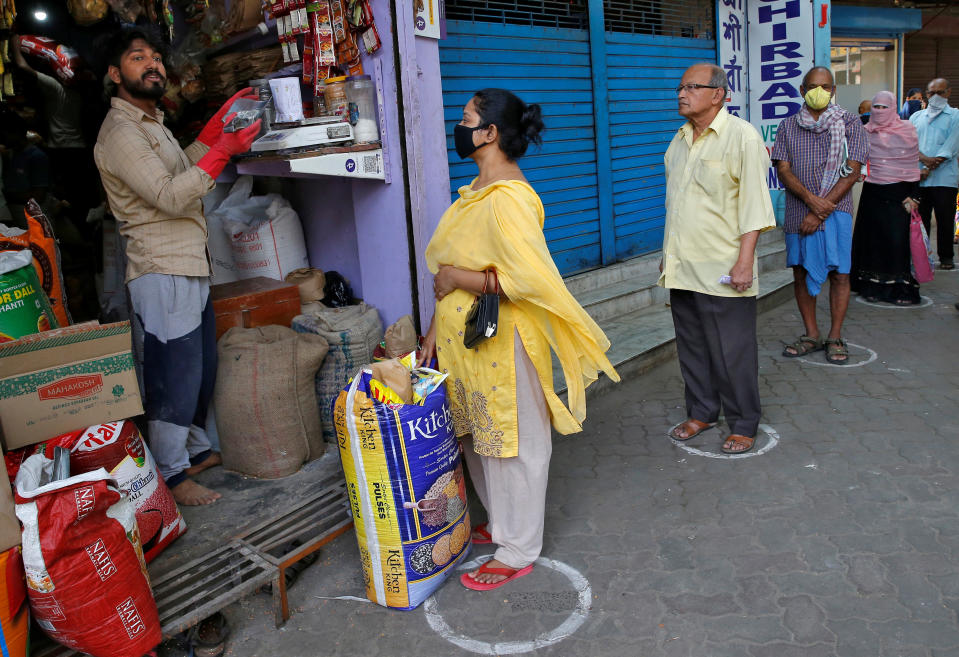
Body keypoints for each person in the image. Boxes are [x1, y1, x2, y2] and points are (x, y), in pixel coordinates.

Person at [422, 88, 618, 590]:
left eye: (466, 119)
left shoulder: (510, 199)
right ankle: (503, 524)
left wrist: (457, 279)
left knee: (517, 443)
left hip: (504, 341)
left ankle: (519, 547)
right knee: (480, 437)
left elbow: (531, 281)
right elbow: (451, 275)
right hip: (466, 341)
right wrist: (432, 333)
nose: (458, 127)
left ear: (489, 133)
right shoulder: (476, 192)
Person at [93, 27, 260, 505]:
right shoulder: (121, 132)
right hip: (160, 268)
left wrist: (210, 137)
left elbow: (178, 170)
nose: (152, 64)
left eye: (156, 57)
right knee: (173, 373)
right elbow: (168, 195)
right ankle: (169, 476)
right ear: (114, 73)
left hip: (187, 262)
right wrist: (223, 150)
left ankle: (193, 453)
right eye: (137, 57)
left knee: (200, 368)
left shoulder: (152, 122)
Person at [659, 63, 775, 455]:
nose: (681, 93)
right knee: (692, 347)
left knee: (732, 352)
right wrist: (667, 256)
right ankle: (703, 411)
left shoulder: (741, 137)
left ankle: (743, 422)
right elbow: (675, 206)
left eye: (692, 86)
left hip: (724, 269)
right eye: (680, 86)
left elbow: (755, 206)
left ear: (718, 94)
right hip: (683, 268)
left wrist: (745, 261)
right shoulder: (678, 141)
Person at [772, 66, 868, 365]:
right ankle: (811, 334)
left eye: (826, 86)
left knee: (840, 274)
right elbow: (783, 169)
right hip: (799, 210)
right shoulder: (788, 125)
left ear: (834, 90)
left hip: (836, 210)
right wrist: (813, 202)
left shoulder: (849, 121)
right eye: (813, 86)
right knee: (800, 271)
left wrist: (824, 206)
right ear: (802, 91)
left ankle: (835, 335)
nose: (820, 91)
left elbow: (853, 169)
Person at [850, 91, 921, 305]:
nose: (879, 111)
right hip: (873, 194)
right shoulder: (864, 130)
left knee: (897, 244)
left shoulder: (907, 130)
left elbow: (912, 164)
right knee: (872, 243)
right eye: (876, 107)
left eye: (884, 107)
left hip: (900, 197)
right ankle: (870, 287)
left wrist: (915, 196)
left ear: (894, 108)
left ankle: (900, 290)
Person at [910, 77, 959, 270]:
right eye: (932, 93)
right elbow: (909, 143)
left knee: (945, 219)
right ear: (926, 94)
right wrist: (923, 160)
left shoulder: (955, 115)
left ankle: (946, 257)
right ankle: (921, 256)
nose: (935, 97)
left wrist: (931, 164)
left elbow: (952, 144)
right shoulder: (916, 117)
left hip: (944, 178)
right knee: (920, 220)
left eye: (940, 92)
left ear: (948, 93)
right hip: (919, 177)